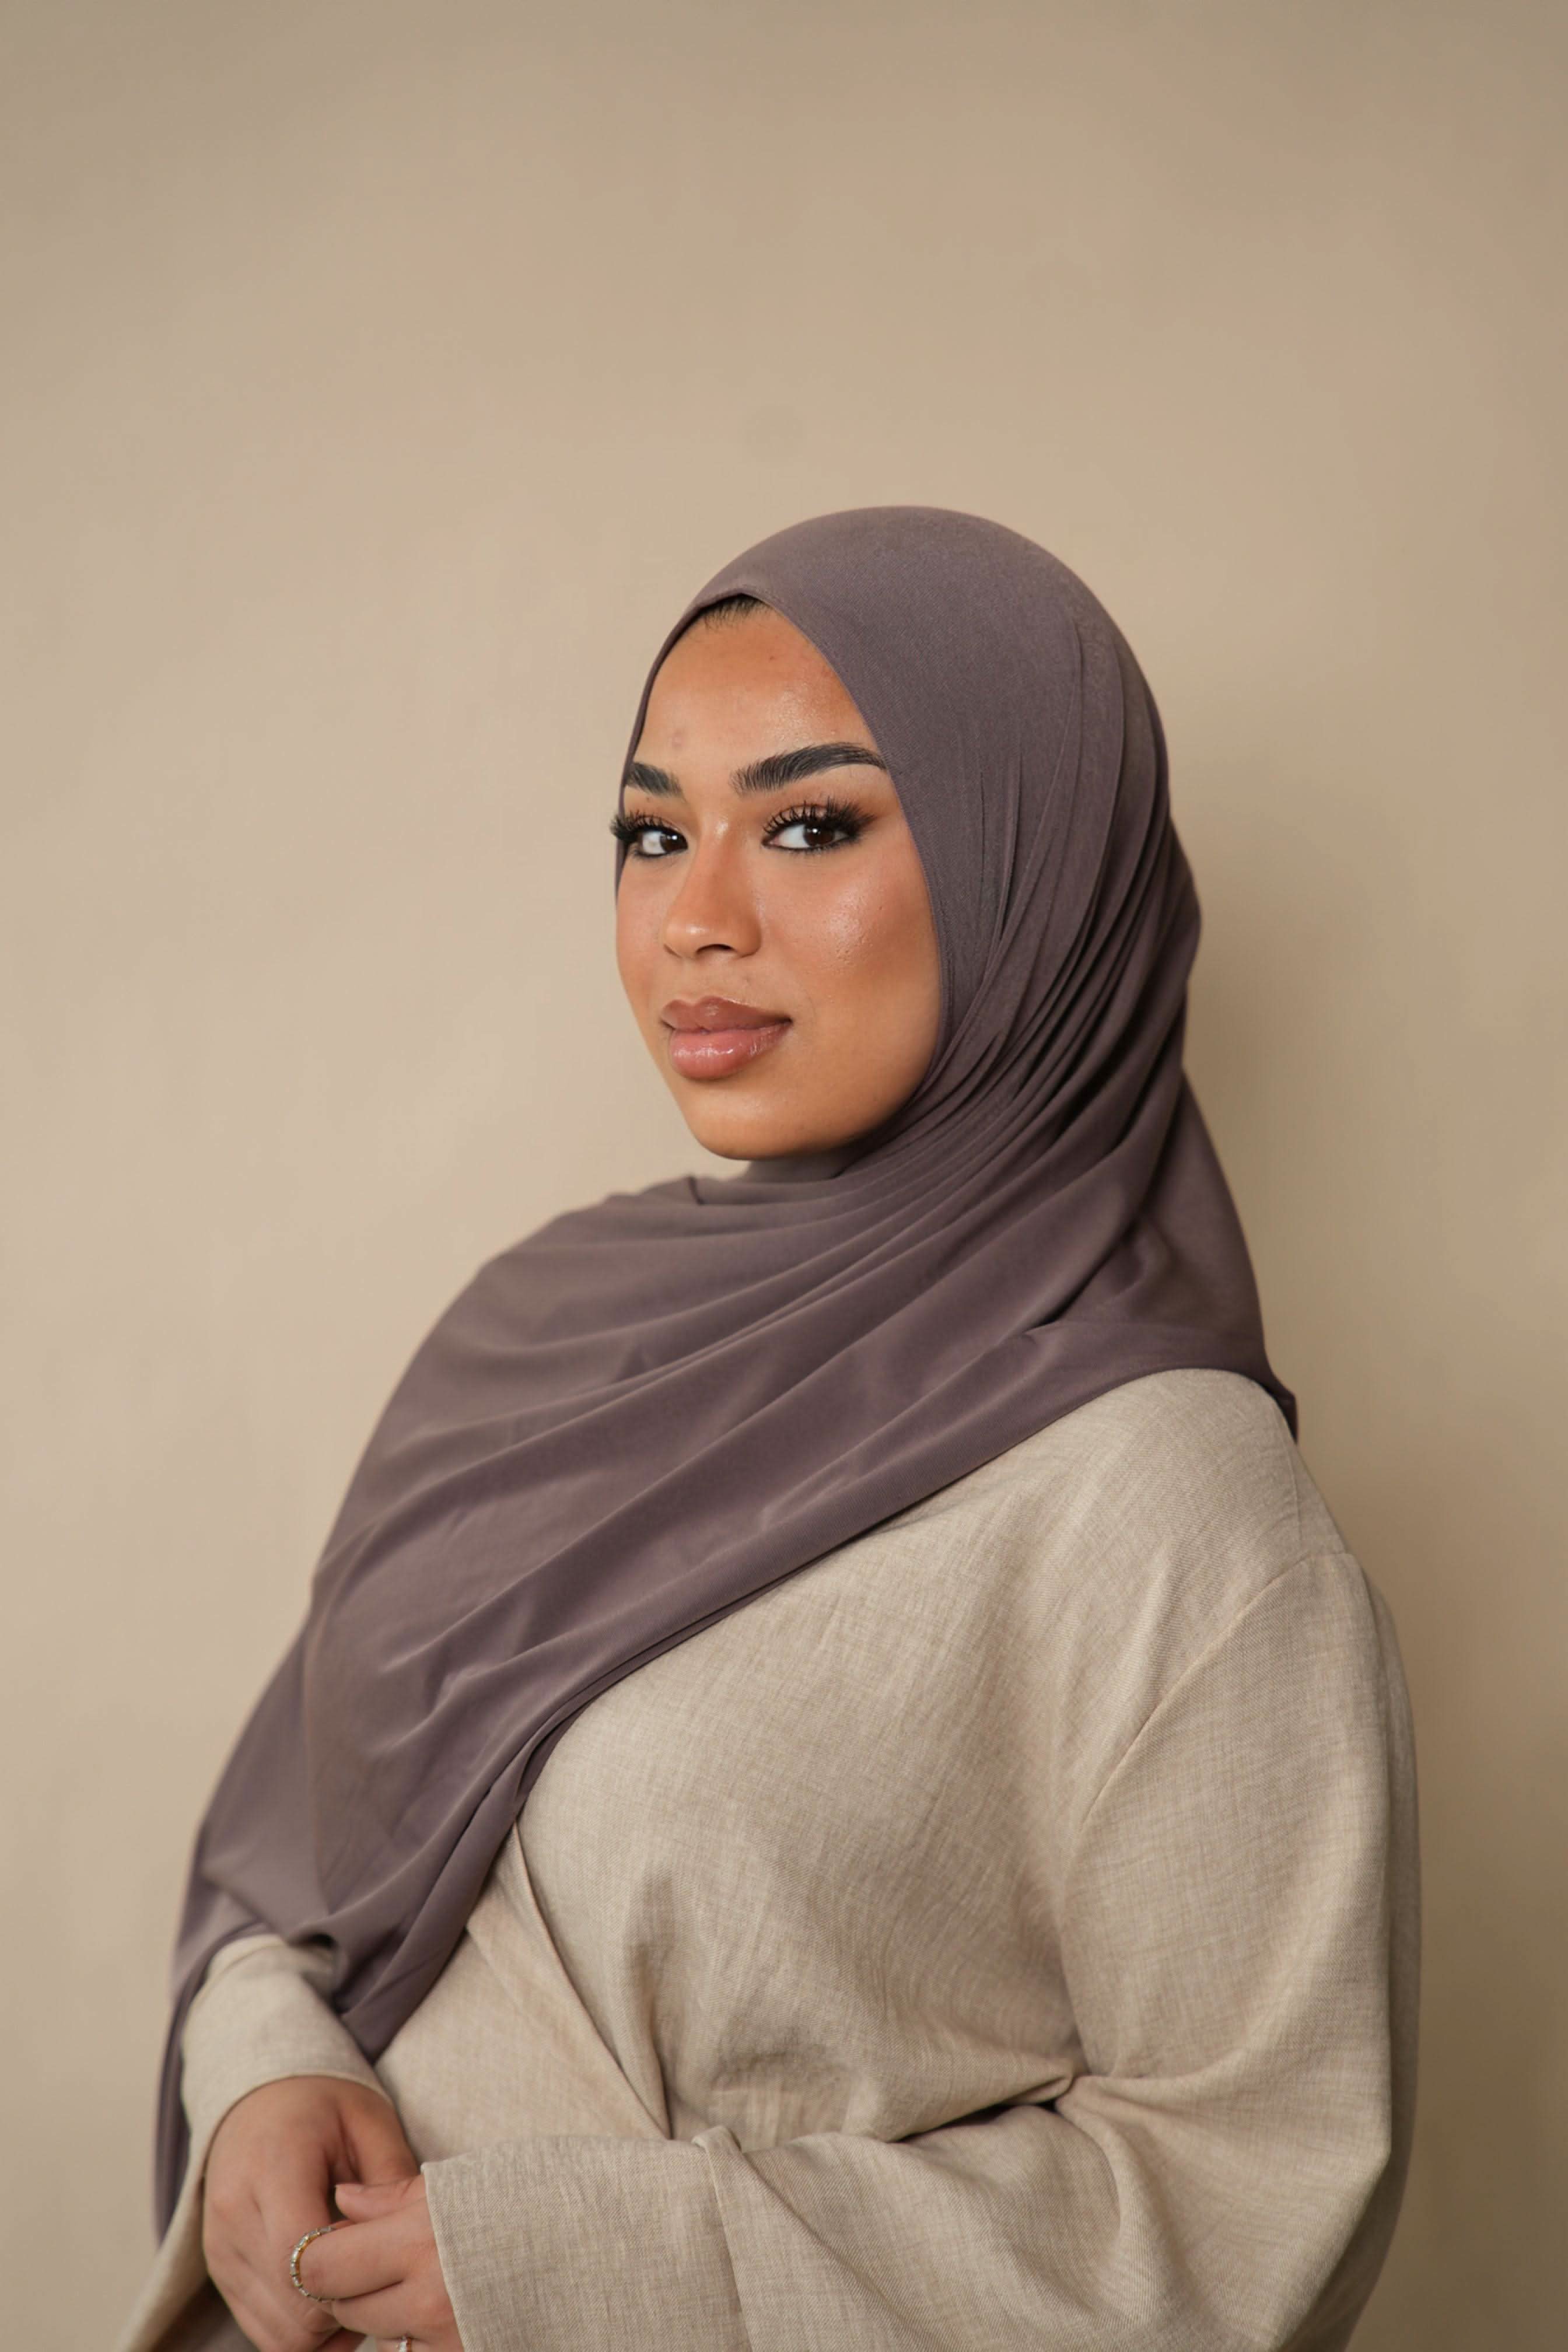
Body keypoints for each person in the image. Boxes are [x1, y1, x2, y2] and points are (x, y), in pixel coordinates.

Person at [117, 507, 1418, 2352]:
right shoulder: (543, 1338)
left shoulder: (1170, 1501)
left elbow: (1252, 2201)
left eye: (811, 826)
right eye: (654, 833)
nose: (697, 918)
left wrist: (594, 2263)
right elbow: (299, 1873)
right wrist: (263, 2065)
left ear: (1038, 870)